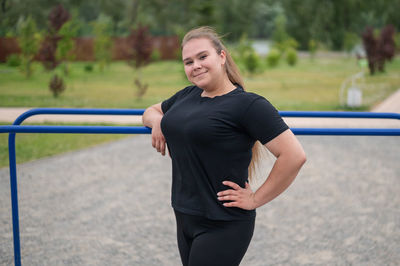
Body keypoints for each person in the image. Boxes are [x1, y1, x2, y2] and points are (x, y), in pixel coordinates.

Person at [142, 26, 306, 266]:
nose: (195, 65)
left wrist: (255, 199)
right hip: (185, 215)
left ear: (221, 57)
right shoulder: (187, 96)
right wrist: (159, 122)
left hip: (223, 222)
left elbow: (294, 155)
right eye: (188, 62)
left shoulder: (248, 105)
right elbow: (150, 111)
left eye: (202, 57)